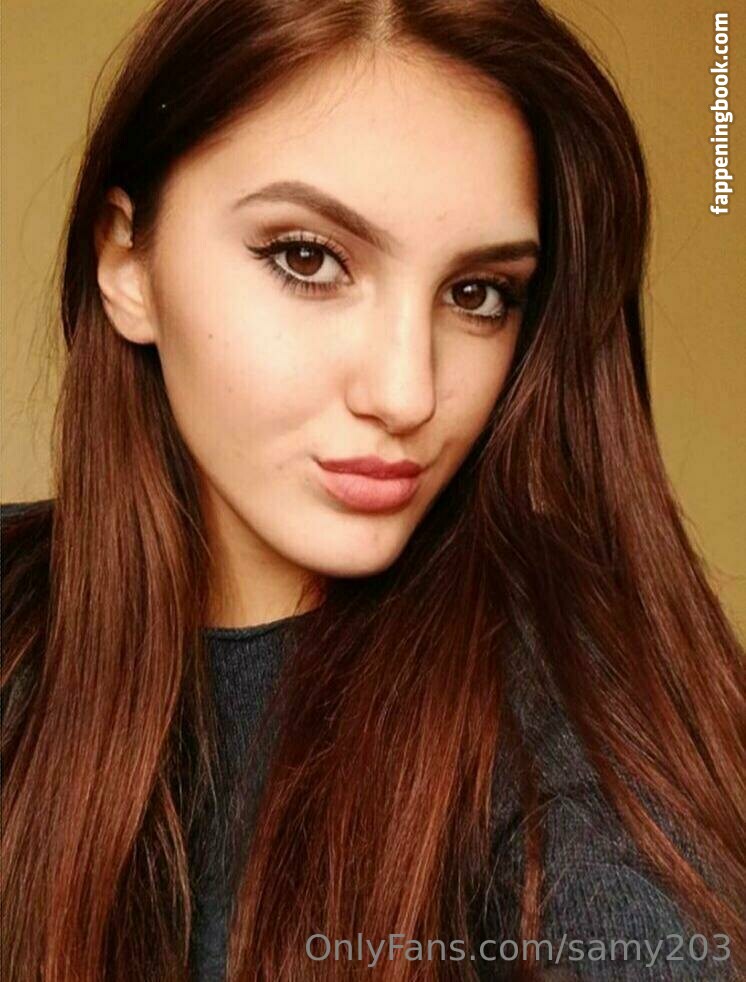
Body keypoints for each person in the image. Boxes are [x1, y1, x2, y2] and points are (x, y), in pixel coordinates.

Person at [2, 1, 743, 980]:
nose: (406, 394)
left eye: (476, 293)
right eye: (308, 258)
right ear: (126, 263)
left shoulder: (572, 710)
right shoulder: (18, 622)